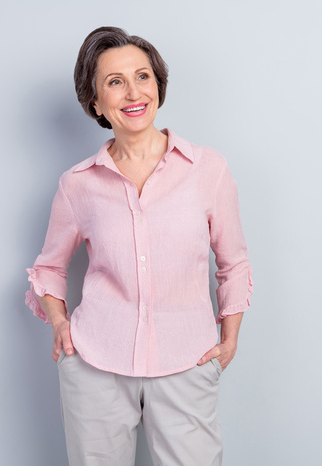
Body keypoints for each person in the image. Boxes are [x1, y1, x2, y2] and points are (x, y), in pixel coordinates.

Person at [25, 26, 253, 466]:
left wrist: (230, 338)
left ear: (158, 85)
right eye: (115, 81)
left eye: (143, 76)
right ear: (95, 103)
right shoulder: (77, 185)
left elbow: (233, 261)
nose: (134, 92)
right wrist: (58, 322)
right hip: (95, 365)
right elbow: (50, 267)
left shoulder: (208, 169)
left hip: (188, 360)